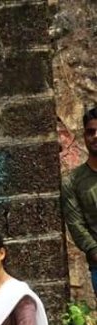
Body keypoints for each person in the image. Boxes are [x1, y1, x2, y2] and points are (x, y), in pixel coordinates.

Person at [60, 106, 97, 295]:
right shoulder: (73, 182)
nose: (96, 136)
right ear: (84, 136)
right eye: (91, 132)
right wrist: (93, 250)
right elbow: (76, 225)